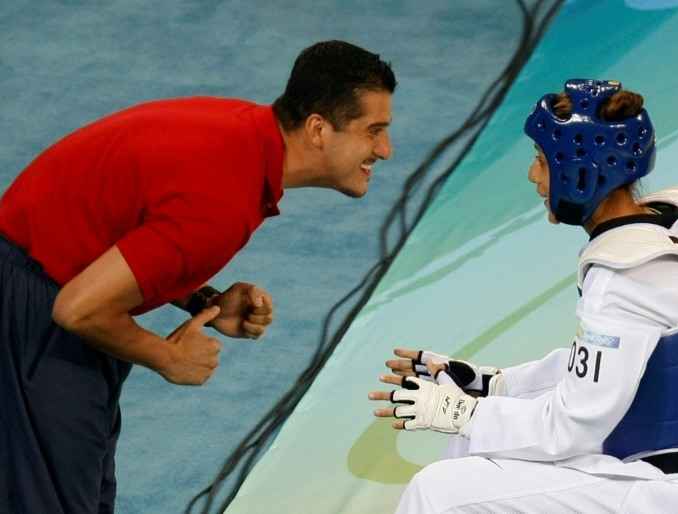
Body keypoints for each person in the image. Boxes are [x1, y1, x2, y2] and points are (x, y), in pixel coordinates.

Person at [0, 40, 395, 514]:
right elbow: (78, 309)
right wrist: (167, 357)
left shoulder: (243, 134)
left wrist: (200, 297)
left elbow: (142, 227)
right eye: (373, 131)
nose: (385, 150)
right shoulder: (223, 201)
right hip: (38, 314)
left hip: (44, 285)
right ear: (317, 129)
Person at [369, 79, 678, 513]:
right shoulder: (670, 227)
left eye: (541, 161)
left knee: (437, 492)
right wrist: (494, 384)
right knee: (473, 449)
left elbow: (572, 427)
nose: (533, 175)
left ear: (580, 171)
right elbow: (612, 367)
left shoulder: (625, 278)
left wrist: (457, 411)